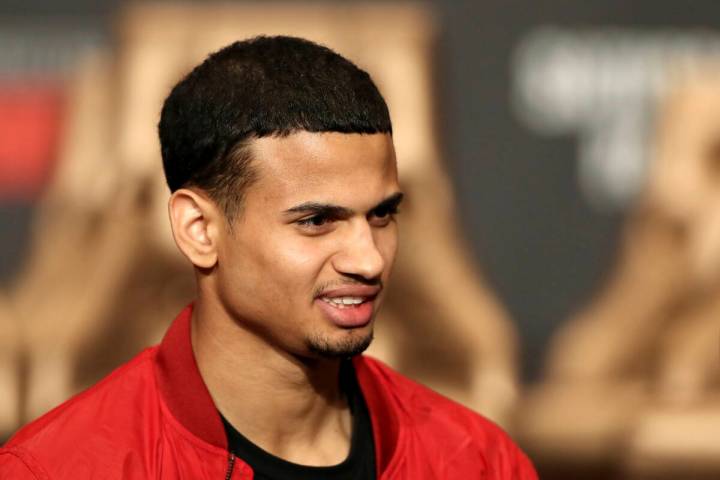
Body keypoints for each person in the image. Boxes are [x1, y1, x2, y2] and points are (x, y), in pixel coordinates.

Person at [0, 36, 537, 479]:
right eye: (317, 221)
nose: (368, 260)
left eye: (381, 216)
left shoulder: (479, 461)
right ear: (198, 229)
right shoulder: (58, 468)